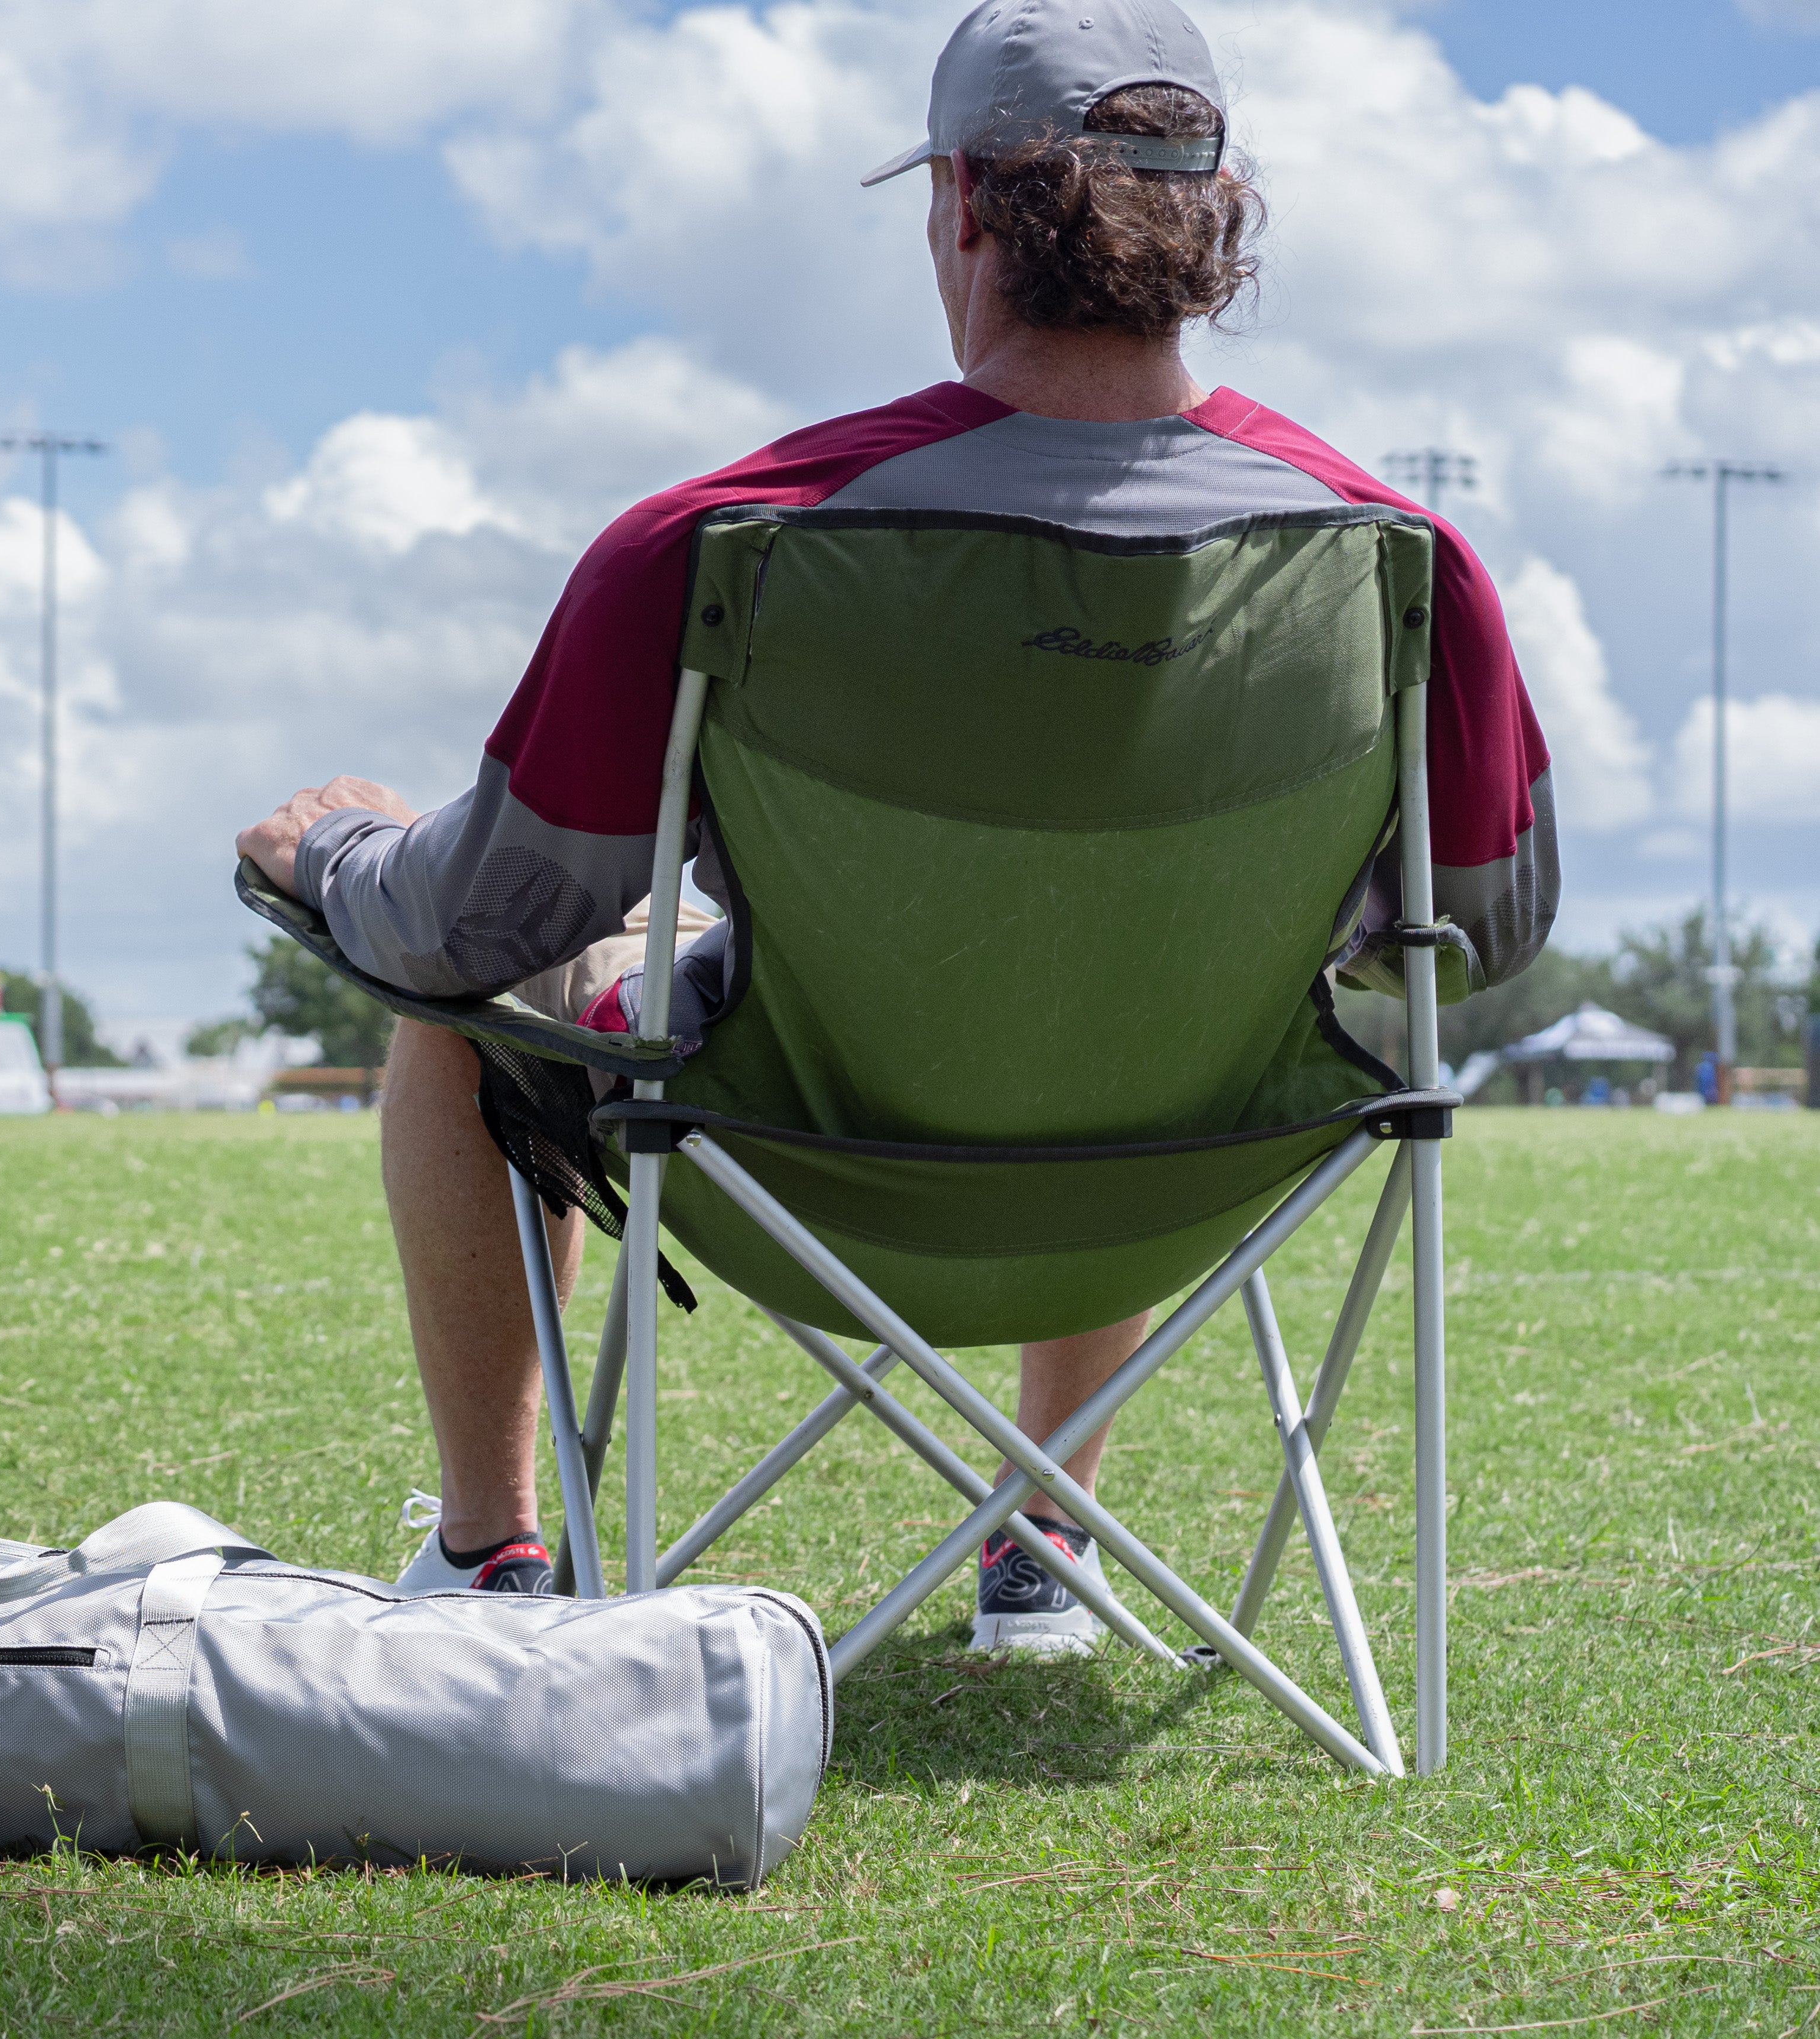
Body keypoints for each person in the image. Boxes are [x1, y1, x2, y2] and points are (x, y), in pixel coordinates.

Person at [237, 0, 1557, 1642]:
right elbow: (1485, 929)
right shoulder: (1393, 554)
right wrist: (1236, 916)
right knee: (1119, 961)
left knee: (451, 1020)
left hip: (787, 1173)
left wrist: (338, 854)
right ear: (1211, 216)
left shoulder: (716, 538)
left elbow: (474, 928)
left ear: (959, 208)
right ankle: (1048, 1535)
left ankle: (494, 1550)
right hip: (1187, 1181)